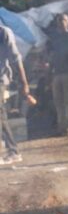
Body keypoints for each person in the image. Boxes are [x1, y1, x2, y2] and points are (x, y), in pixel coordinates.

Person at [0, 24, 35, 164]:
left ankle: (13, 151)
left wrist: (24, 83)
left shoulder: (4, 32)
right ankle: (12, 150)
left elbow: (16, 58)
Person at [46, 13, 68, 136]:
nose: (62, 22)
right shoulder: (53, 39)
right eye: (59, 20)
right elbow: (50, 57)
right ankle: (61, 128)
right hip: (56, 74)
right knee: (59, 102)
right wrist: (49, 75)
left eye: (64, 20)